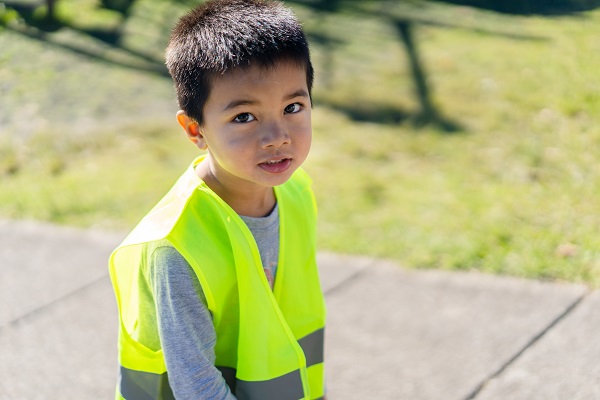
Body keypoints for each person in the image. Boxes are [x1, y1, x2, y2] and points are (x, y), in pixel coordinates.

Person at [108, 0, 326, 399]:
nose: (277, 136)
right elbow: (196, 383)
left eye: (293, 107)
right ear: (195, 129)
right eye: (244, 117)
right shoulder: (175, 246)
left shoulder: (297, 194)